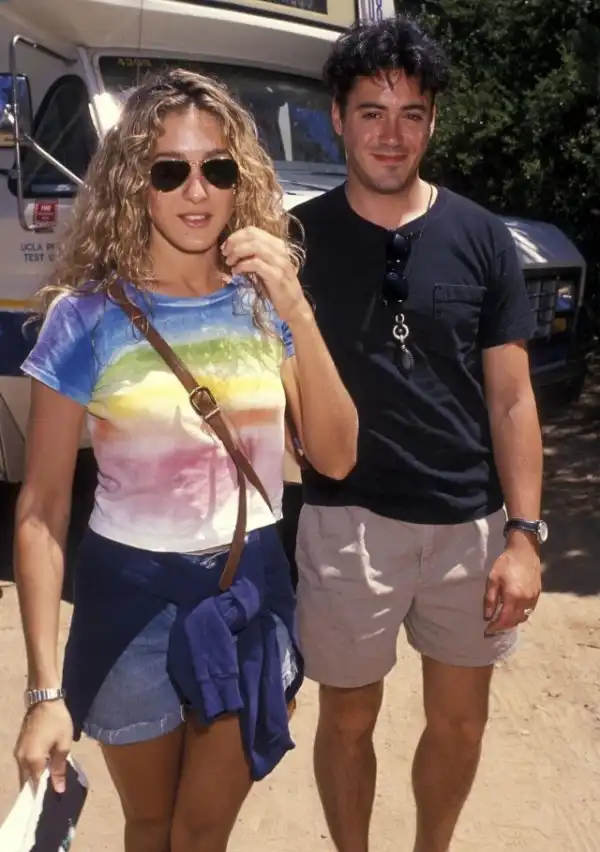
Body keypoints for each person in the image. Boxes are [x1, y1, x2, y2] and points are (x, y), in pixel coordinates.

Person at [12, 68, 357, 852]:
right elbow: (41, 508)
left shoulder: (264, 305)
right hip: (130, 603)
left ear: (241, 180)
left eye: (217, 169)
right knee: (149, 824)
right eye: (169, 170)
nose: (196, 191)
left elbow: (337, 456)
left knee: (202, 832)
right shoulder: (86, 317)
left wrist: (297, 306)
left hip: (248, 590)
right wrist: (43, 691)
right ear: (134, 182)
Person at [292, 16, 545, 852]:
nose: (391, 135)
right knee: (346, 721)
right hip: (346, 521)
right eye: (371, 112)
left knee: (462, 723)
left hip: (468, 525)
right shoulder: (299, 241)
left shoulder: (482, 237)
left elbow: (512, 400)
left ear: (434, 120)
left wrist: (524, 535)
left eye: (411, 114)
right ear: (338, 116)